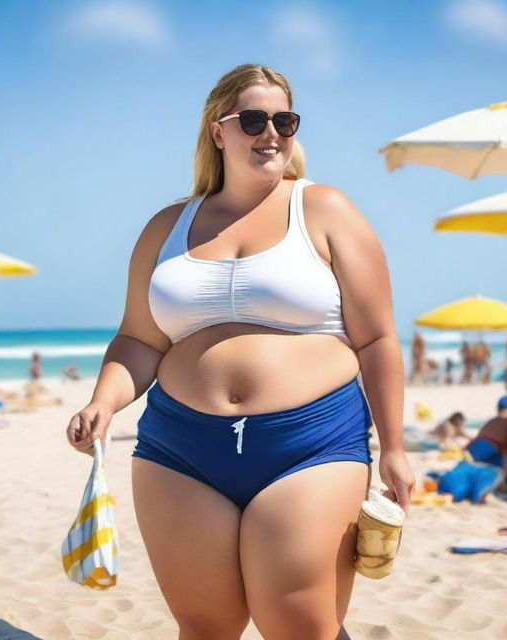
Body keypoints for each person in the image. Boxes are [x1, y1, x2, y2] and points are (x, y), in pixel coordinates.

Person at [66, 63, 414, 639]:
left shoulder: (324, 209)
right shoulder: (166, 227)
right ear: (218, 131)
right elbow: (139, 339)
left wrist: (396, 446)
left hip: (311, 443)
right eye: (253, 119)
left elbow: (376, 339)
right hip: (179, 450)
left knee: (301, 622)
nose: (271, 132)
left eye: (285, 120)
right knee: (206, 626)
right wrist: (103, 402)